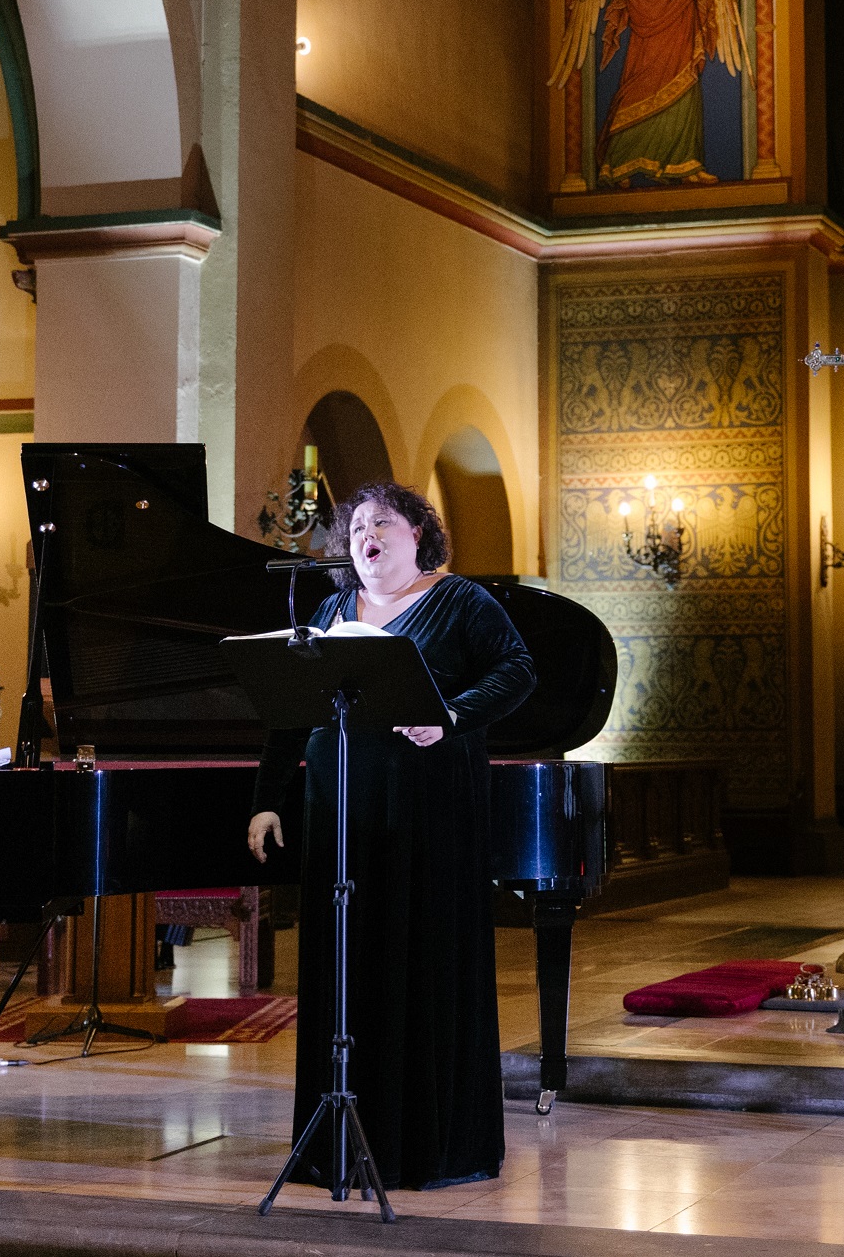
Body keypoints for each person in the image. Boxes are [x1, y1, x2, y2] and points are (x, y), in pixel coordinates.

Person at [245, 483, 536, 1191]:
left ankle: (429, 1145)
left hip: (428, 811)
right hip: (340, 812)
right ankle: (339, 1142)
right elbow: (291, 715)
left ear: (418, 535)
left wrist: (453, 715)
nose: (365, 536)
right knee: (345, 959)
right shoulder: (329, 611)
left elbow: (518, 670)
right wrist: (267, 802)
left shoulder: (460, 600)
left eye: (381, 523)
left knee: (419, 955)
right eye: (355, 530)